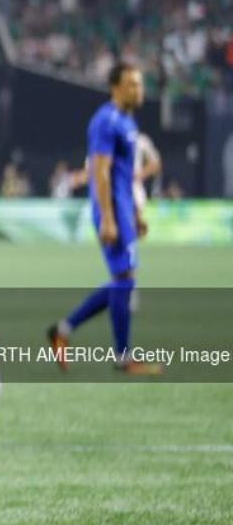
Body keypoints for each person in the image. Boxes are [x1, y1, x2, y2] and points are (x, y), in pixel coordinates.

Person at [47, 64, 163, 375]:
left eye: (140, 84)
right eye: (131, 84)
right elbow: (100, 171)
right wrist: (109, 219)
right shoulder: (106, 121)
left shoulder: (128, 120)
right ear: (115, 87)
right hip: (110, 208)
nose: (138, 90)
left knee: (123, 279)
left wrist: (135, 213)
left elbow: (126, 175)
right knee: (125, 279)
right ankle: (123, 357)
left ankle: (63, 329)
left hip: (124, 207)